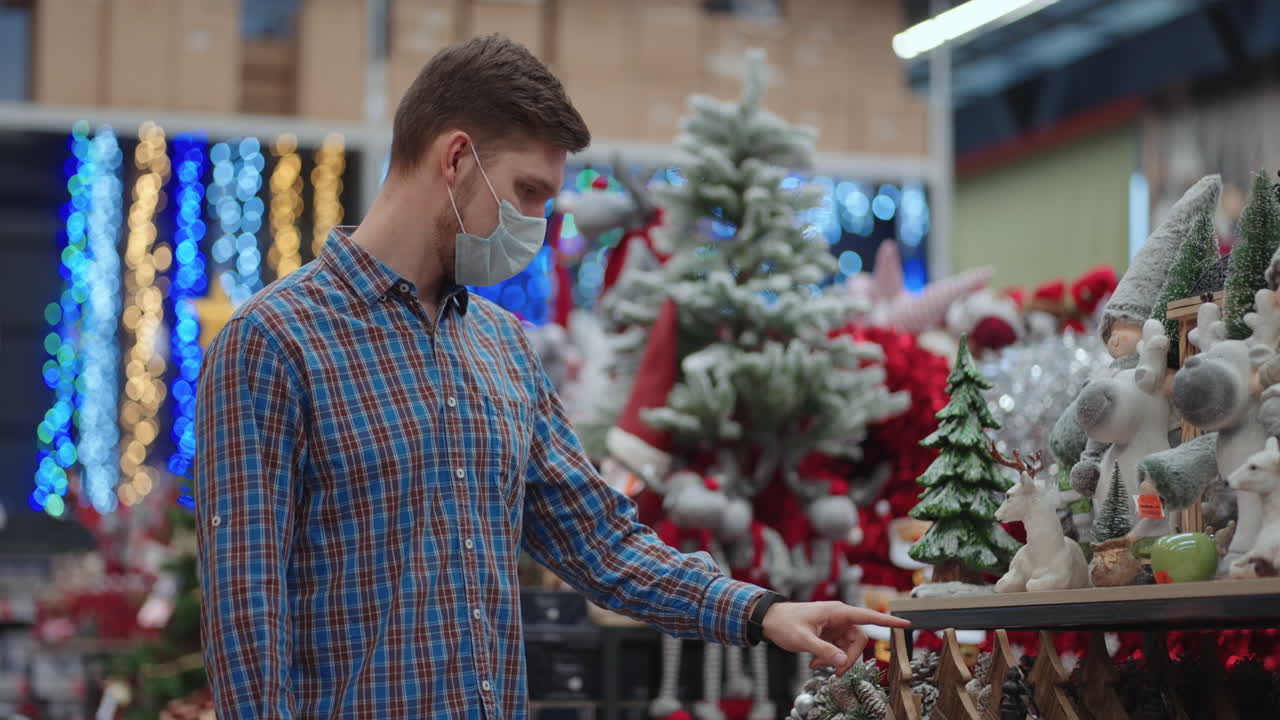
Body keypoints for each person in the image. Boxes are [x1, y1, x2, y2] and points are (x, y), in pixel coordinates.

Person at [195, 33, 908, 719]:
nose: (540, 222)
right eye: (528, 191)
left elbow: (601, 542)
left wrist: (762, 611)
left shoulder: (502, 350)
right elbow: (246, 620)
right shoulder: (273, 344)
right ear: (456, 160)